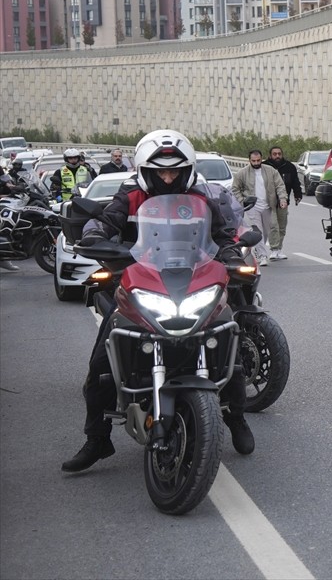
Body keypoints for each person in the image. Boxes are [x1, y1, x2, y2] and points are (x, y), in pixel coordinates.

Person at [61, 129, 254, 472]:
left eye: (174, 171)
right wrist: (94, 238)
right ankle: (97, 439)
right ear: (146, 171)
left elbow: (223, 234)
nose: (167, 177)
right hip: (144, 281)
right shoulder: (131, 195)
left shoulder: (202, 197)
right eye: (160, 172)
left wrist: (231, 255)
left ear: (186, 170)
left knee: (229, 339)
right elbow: (103, 223)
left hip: (194, 280)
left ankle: (235, 417)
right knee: (100, 365)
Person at [232, 150, 286, 265]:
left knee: (267, 231)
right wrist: (242, 201)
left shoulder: (270, 171)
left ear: (261, 159)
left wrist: (282, 199)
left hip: (268, 206)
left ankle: (257, 250)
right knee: (259, 231)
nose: (256, 163)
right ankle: (262, 256)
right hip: (252, 206)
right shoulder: (242, 173)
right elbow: (235, 189)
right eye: (253, 161)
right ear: (249, 160)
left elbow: (280, 185)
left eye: (258, 160)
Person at [264, 145, 304, 260]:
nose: (277, 156)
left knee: (282, 226)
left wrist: (298, 195)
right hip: (268, 202)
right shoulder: (265, 166)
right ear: (270, 155)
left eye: (279, 154)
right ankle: (274, 249)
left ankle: (279, 249)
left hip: (283, 201)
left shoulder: (289, 166)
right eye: (274, 154)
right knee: (273, 226)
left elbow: (295, 182)